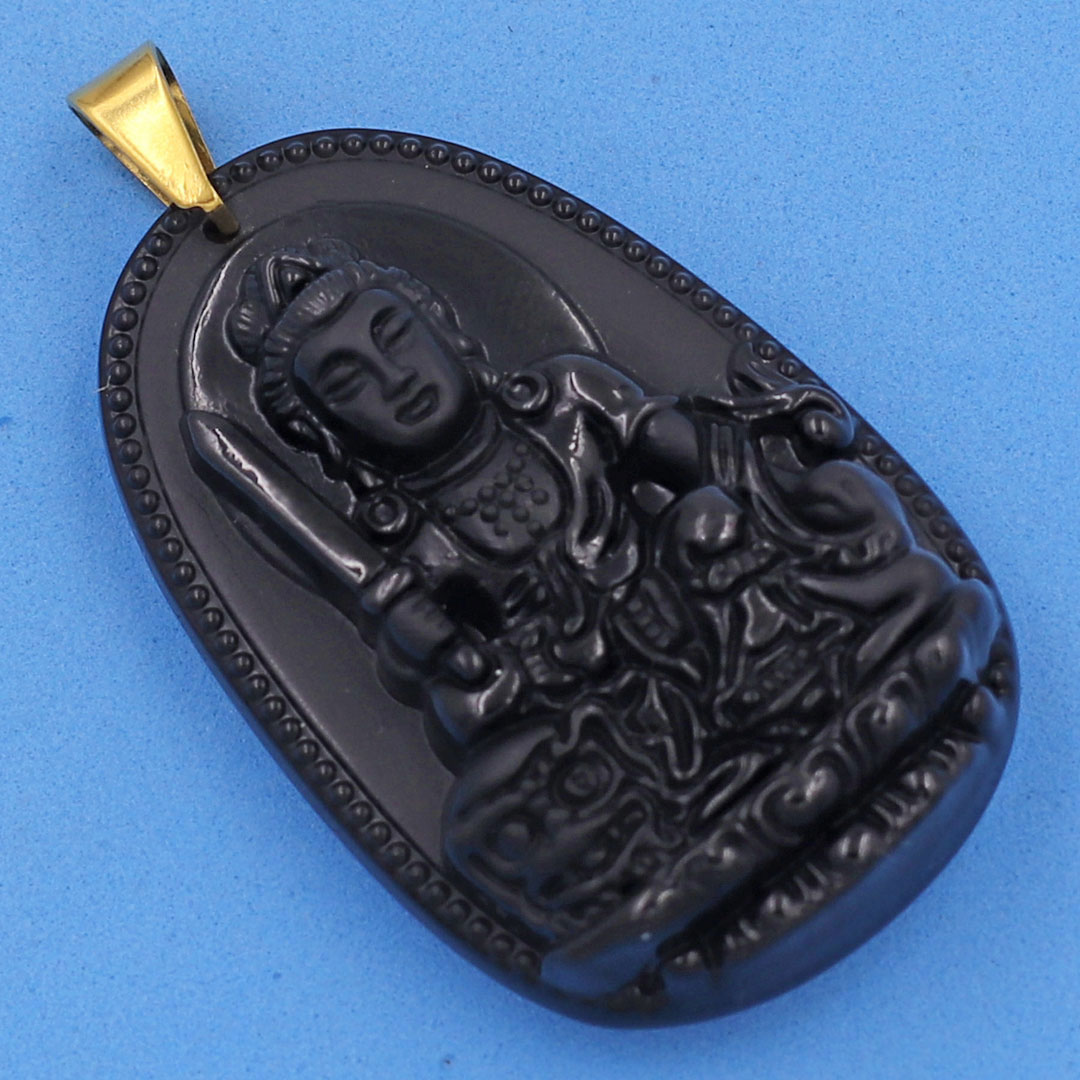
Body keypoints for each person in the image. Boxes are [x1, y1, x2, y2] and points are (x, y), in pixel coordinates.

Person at [210, 238, 999, 998]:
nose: (395, 379)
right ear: (327, 433)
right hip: (613, 720)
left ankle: (741, 807)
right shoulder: (408, 548)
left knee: (820, 503)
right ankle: (830, 744)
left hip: (732, 626)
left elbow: (712, 461)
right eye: (349, 382)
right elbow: (472, 718)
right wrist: (444, 659)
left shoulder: (569, 398)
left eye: (396, 336)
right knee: (480, 820)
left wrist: (777, 441)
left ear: (444, 326)